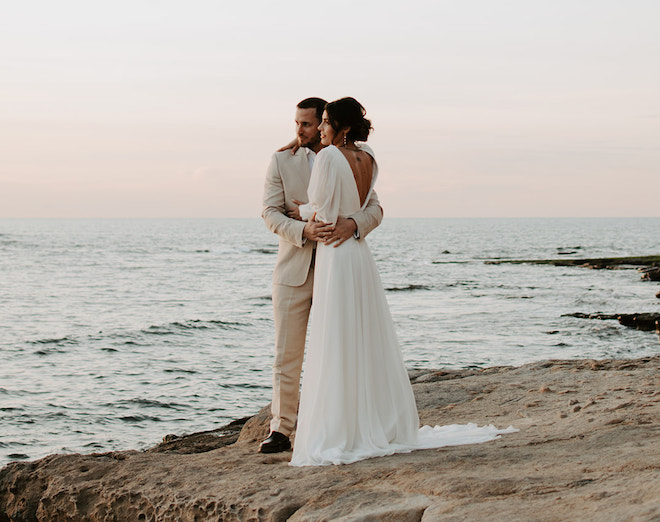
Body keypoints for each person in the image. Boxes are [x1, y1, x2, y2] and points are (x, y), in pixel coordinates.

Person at [288, 97, 517, 466]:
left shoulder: (330, 157)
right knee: (363, 336)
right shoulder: (370, 157)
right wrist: (350, 221)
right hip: (359, 256)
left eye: (327, 122)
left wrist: (298, 211)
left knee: (337, 337)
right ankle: (369, 419)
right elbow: (364, 208)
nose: (322, 129)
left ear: (342, 127)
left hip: (336, 253)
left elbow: (325, 213)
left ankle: (342, 427)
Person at [260, 97, 384, 453]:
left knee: (340, 348)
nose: (298, 130)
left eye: (306, 124)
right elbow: (269, 212)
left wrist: (354, 224)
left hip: (339, 266)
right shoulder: (282, 160)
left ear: (323, 123)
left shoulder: (346, 154)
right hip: (295, 269)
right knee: (288, 352)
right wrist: (304, 231)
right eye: (296, 124)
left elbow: (373, 206)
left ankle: (336, 422)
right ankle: (281, 429)